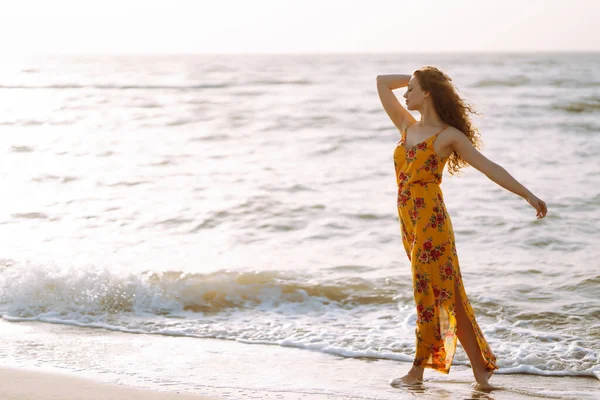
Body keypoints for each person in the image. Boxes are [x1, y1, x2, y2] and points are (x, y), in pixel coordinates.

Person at [376, 66, 547, 389]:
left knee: (428, 295)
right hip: (410, 224)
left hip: (432, 225)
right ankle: (481, 370)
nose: (404, 93)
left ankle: (416, 372)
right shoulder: (406, 126)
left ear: (426, 93)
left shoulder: (448, 137)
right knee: (449, 295)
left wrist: (527, 193)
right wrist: (420, 73)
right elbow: (381, 82)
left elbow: (488, 167)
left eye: (411, 88)